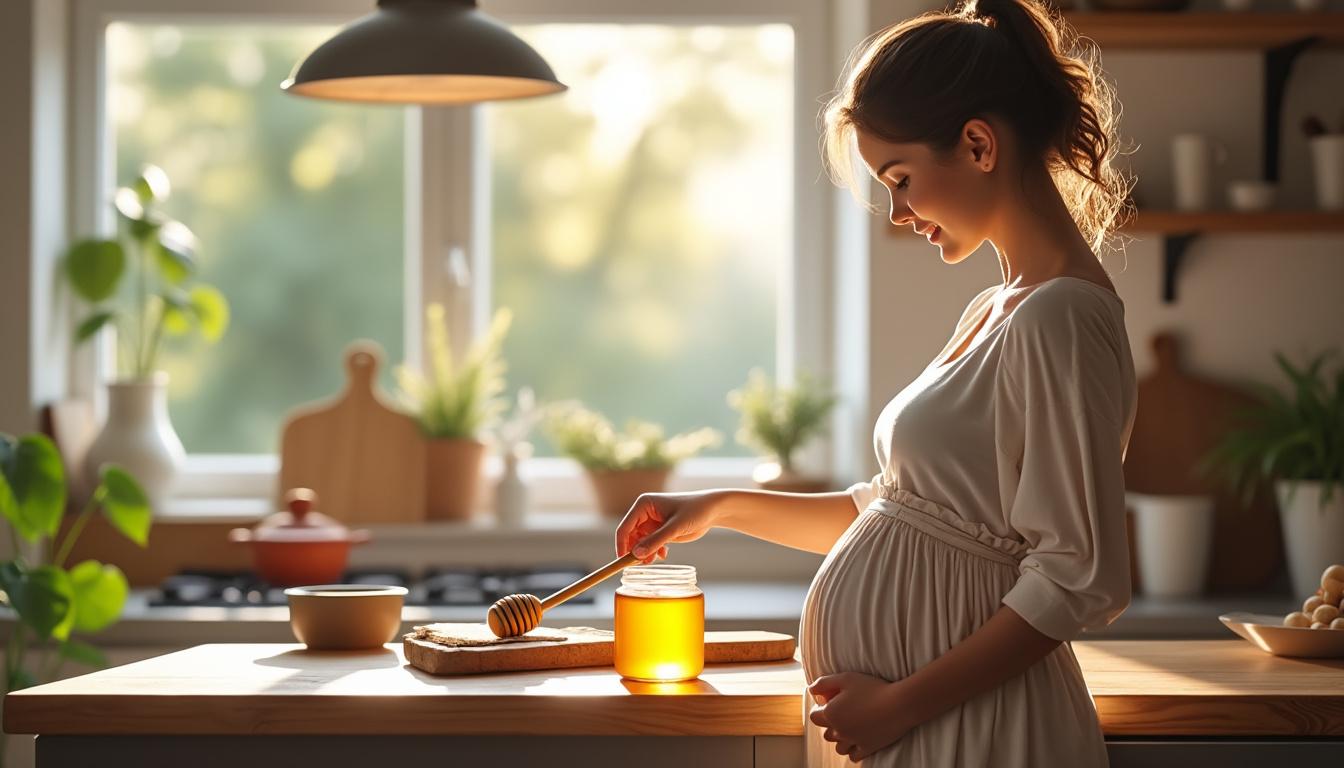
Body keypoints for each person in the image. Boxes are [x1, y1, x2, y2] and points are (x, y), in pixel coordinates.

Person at [614, 0, 1137, 764]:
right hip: (925, 723)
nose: (899, 212)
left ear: (979, 144)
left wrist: (899, 704)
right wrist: (718, 508)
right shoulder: (998, 309)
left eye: (900, 178)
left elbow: (1075, 577)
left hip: (974, 727)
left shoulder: (1061, 317)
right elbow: (906, 516)